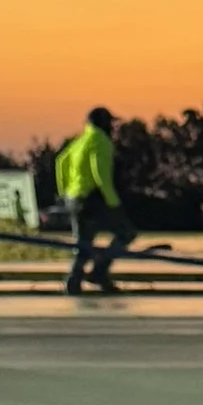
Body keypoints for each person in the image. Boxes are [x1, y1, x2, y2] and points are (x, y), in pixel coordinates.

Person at [55, 105, 136, 293]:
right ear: (104, 124)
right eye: (111, 124)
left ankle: (74, 280)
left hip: (73, 198)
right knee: (126, 233)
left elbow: (60, 162)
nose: (113, 128)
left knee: (84, 240)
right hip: (91, 198)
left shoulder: (80, 141)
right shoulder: (101, 141)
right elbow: (100, 174)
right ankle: (99, 270)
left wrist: (63, 191)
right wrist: (113, 201)